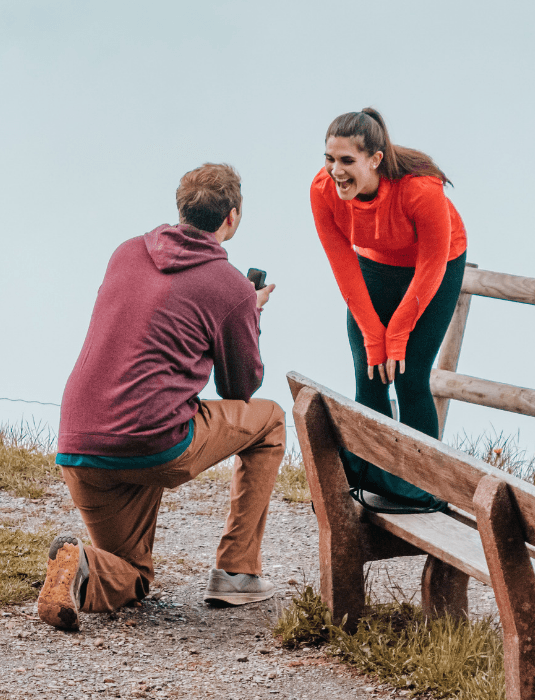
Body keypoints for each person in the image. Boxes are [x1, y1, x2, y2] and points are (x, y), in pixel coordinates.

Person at [37, 162, 285, 631]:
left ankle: (79, 566)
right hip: (153, 442)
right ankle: (236, 573)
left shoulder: (125, 252)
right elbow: (240, 389)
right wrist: (248, 313)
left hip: (79, 443)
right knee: (270, 420)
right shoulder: (230, 286)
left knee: (132, 577)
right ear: (231, 217)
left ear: (181, 208)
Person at [310, 108, 468, 509]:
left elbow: (432, 266)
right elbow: (344, 267)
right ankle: (378, 478)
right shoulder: (322, 190)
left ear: (375, 159)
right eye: (330, 159)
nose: (336, 171)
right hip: (375, 264)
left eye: (347, 161)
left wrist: (396, 335)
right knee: (370, 371)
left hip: (435, 266)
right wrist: (374, 336)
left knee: (410, 376)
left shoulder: (420, 189)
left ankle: (426, 489)